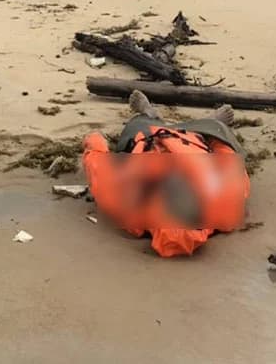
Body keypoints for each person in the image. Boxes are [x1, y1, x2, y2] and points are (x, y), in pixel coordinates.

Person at [83, 91, 249, 258]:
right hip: (193, 139)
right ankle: (212, 122)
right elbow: (230, 164)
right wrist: (217, 135)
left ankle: (148, 113)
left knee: (137, 126)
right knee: (219, 133)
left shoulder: (129, 207)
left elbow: (97, 168)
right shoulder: (221, 207)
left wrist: (94, 142)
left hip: (148, 136)